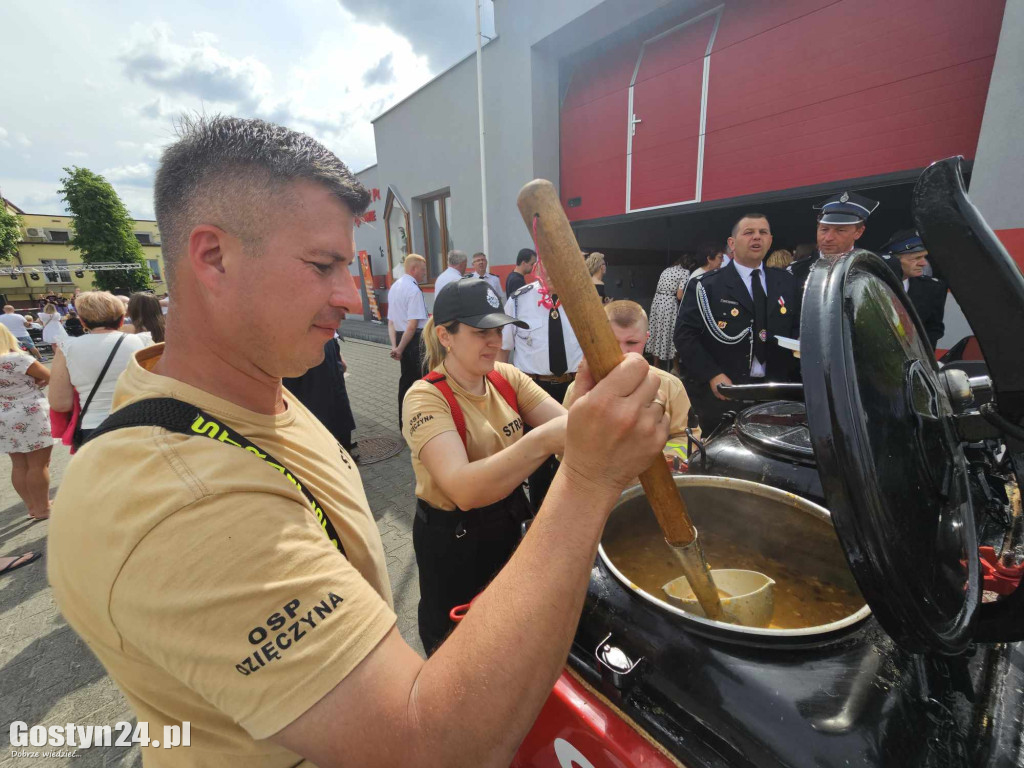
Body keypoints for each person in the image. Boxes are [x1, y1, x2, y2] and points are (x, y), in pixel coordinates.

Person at [47, 115, 668, 768]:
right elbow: (430, 746)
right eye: (322, 266)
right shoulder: (183, 502)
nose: (350, 295)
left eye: (348, 264)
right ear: (213, 256)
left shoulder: (258, 396)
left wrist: (591, 421)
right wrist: (588, 479)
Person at [403, 279, 569, 653]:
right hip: (454, 538)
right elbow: (463, 489)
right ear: (445, 335)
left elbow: (570, 427)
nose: (496, 341)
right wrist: (541, 440)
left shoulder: (504, 377)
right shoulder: (425, 398)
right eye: (481, 332)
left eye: (498, 330)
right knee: (455, 644)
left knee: (511, 632)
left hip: (510, 518)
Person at [675, 213, 801, 434]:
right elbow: (685, 336)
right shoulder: (707, 286)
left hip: (773, 392)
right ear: (732, 243)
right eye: (749, 232)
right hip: (725, 392)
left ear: (770, 240)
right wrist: (712, 374)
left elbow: (797, 328)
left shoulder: (787, 284)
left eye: (763, 232)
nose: (757, 238)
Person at [498, 276, 583, 509]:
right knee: (538, 459)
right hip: (532, 389)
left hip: (574, 387)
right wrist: (499, 392)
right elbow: (503, 350)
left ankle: (568, 510)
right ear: (537, 264)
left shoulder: (582, 296)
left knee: (574, 453)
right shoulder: (518, 301)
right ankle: (538, 513)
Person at [566, 301, 691, 440]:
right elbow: (563, 445)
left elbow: (685, 438)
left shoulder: (671, 387)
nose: (622, 351)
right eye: (612, 342)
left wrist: (663, 459)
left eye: (632, 343)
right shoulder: (579, 390)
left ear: (646, 339)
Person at [47, 291, 147, 441]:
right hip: (143, 421)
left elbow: (60, 404)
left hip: (95, 427)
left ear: (83, 322)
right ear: (121, 319)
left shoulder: (66, 348)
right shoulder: (144, 342)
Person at [0, 324, 53, 520]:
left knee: (19, 464)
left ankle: (32, 506)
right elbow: (50, 376)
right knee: (39, 464)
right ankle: (43, 508)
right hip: (29, 411)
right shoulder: (17, 359)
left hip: (3, 413)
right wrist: (37, 381)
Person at [788, 191, 879, 301]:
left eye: (840, 230)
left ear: (859, 232)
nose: (828, 238)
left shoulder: (874, 269)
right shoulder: (795, 271)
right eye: (824, 229)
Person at [284, 336, 358, 454]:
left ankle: (343, 447)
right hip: (312, 369)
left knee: (335, 408)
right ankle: (337, 450)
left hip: (325, 360)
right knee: (321, 409)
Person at [880, 229, 947, 349]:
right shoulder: (874, 284)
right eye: (915, 258)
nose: (923, 263)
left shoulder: (933, 289)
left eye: (923, 257)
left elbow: (933, 330)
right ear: (893, 260)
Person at [387, 253, 428, 428]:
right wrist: (402, 349)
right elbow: (412, 325)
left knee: (406, 382)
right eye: (423, 270)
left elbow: (391, 322)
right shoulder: (413, 290)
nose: (425, 274)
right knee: (422, 383)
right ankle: (421, 424)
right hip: (413, 341)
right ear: (414, 269)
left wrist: (395, 346)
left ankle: (404, 423)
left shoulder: (395, 287)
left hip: (400, 338)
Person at [645, 255, 690, 371]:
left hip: (657, 302)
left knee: (656, 331)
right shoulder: (685, 272)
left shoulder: (666, 270)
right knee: (671, 334)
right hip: (669, 304)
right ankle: (675, 368)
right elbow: (679, 296)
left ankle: (656, 365)